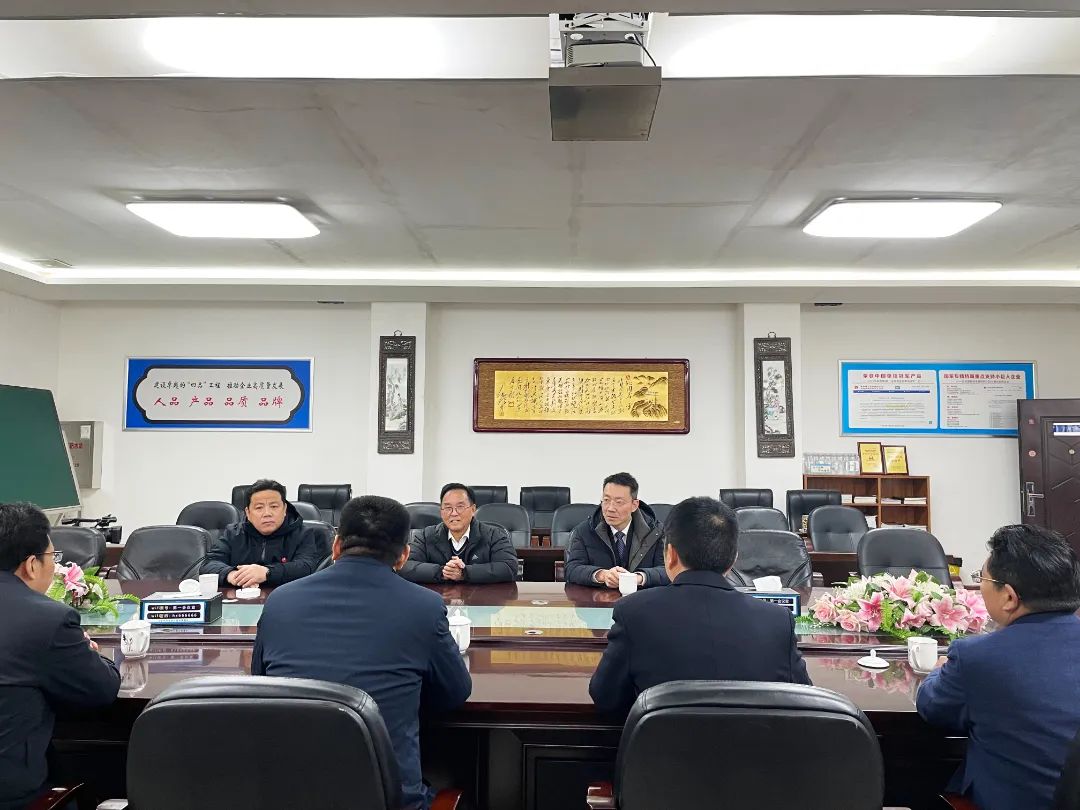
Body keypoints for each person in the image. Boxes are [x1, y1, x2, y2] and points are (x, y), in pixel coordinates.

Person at [252, 495, 471, 810]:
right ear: (403, 556)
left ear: (336, 546)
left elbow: (262, 683)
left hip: (289, 796)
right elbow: (455, 693)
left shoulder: (279, 601)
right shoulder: (424, 606)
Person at [589, 496, 810, 717]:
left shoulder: (633, 613)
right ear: (733, 558)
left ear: (670, 555)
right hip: (752, 739)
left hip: (662, 740)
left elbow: (606, 697)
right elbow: (803, 699)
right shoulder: (776, 621)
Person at [917, 524, 1080, 810]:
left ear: (1009, 597)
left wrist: (939, 669)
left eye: (982, 578)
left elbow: (932, 706)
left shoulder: (978, 658)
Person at [0, 502, 121, 810]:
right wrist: (91, 653)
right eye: (52, 558)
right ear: (31, 565)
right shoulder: (45, 619)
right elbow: (101, 690)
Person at [202, 479, 324, 587]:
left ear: (284, 509)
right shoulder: (233, 534)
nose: (267, 513)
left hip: (287, 597)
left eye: (274, 506)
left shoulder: (302, 533)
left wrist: (267, 572)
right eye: (259, 508)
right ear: (248, 513)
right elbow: (208, 564)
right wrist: (231, 575)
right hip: (240, 599)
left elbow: (306, 567)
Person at [565, 472, 668, 589]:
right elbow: (572, 569)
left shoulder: (656, 532)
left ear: (634, 505)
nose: (610, 508)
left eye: (619, 502)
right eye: (606, 500)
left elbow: (668, 571)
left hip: (643, 597)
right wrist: (602, 575)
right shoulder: (585, 531)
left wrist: (638, 578)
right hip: (598, 598)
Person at [398, 483, 517, 584]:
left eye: (460, 507)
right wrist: (442, 572)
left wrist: (465, 573)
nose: (454, 513)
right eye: (448, 508)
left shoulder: (495, 535)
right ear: (441, 511)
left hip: (482, 600)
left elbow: (509, 567)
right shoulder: (424, 536)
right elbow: (405, 566)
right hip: (438, 600)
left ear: (473, 509)